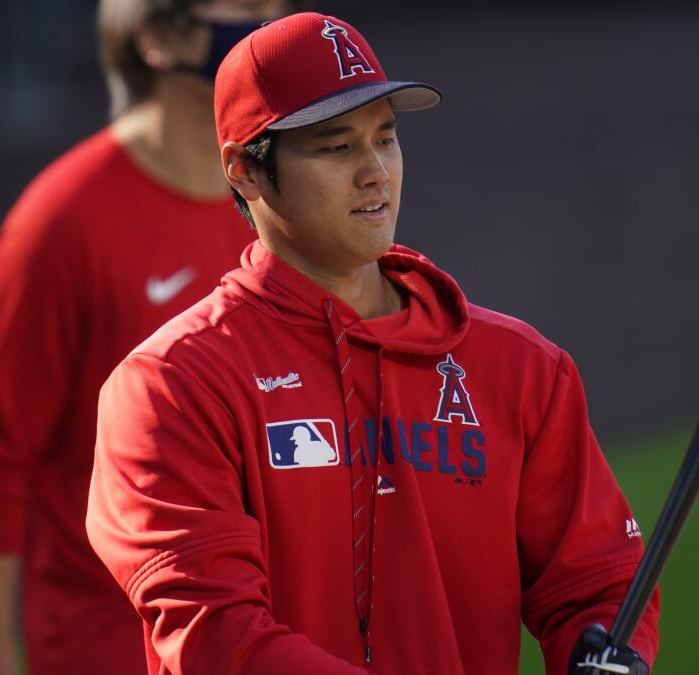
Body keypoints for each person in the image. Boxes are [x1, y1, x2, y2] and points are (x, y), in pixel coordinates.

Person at [86, 11, 661, 675]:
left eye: (384, 139)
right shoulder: (171, 387)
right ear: (244, 170)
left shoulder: (522, 368)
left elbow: (593, 582)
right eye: (336, 148)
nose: (375, 172)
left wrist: (601, 648)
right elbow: (217, 639)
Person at [0, 2, 291, 673]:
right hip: (108, 645)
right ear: (160, 37)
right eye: (244, 8)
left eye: (275, 8)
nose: (265, 27)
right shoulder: (62, 220)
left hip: (265, 642)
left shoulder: (286, 204)